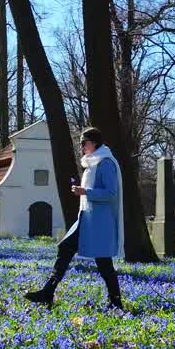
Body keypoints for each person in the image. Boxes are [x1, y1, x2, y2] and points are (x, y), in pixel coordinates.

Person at [24, 127, 124, 310]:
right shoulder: (92, 163)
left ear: (94, 143)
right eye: (80, 144)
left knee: (104, 262)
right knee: (66, 248)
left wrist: (85, 191)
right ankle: (48, 291)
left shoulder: (105, 163)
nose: (81, 147)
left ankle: (116, 303)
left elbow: (111, 193)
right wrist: (83, 192)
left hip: (99, 222)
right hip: (87, 218)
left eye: (83, 143)